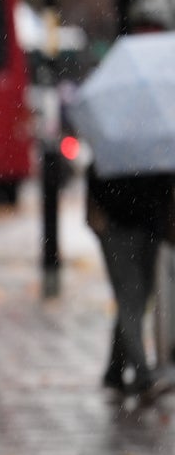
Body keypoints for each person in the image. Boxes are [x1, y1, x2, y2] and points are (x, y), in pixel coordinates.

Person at [85, 162, 175, 399]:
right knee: (131, 300)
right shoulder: (142, 152)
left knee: (134, 300)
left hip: (146, 229)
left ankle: (114, 371)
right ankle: (143, 377)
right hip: (123, 229)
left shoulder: (148, 154)